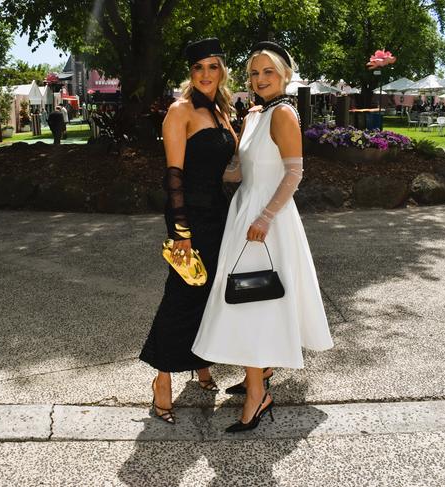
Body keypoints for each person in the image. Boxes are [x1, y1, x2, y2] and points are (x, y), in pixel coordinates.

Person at [192, 41, 334, 432]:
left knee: (253, 301)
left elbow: (294, 173)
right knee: (247, 298)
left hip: (268, 218)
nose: (260, 79)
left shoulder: (284, 113)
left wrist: (266, 216)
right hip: (245, 211)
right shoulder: (254, 113)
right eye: (254, 73)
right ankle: (259, 373)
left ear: (285, 75)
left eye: (268, 72)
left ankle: (258, 393)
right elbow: (244, 169)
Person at [139, 38, 238, 424]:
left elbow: (226, 169)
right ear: (190, 73)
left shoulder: (223, 112)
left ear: (221, 71)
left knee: (210, 295)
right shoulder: (179, 112)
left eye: (213, 66)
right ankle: (161, 379)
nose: (206, 74)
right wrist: (182, 234)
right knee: (180, 296)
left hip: (219, 215)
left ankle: (200, 363)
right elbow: (174, 177)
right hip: (189, 219)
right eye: (199, 68)